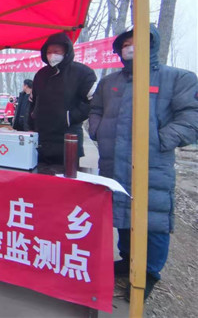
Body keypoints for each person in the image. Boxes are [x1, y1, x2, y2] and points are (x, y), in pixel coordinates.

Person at [89, 26, 198, 300]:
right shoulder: (110, 82)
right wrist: (98, 130)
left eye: (136, 42)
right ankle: (128, 260)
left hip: (153, 164)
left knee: (154, 218)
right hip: (114, 162)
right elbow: (96, 110)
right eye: (126, 44)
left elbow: (191, 117)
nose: (130, 48)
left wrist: (159, 140)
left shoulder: (178, 78)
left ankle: (149, 272)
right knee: (122, 212)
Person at [30, 32, 96, 164]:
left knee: (67, 176)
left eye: (56, 51)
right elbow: (32, 102)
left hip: (68, 138)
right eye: (48, 52)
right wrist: (31, 124)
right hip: (42, 139)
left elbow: (93, 102)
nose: (52, 55)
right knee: (39, 174)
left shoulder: (83, 73)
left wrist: (70, 117)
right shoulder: (41, 74)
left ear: (66, 52)